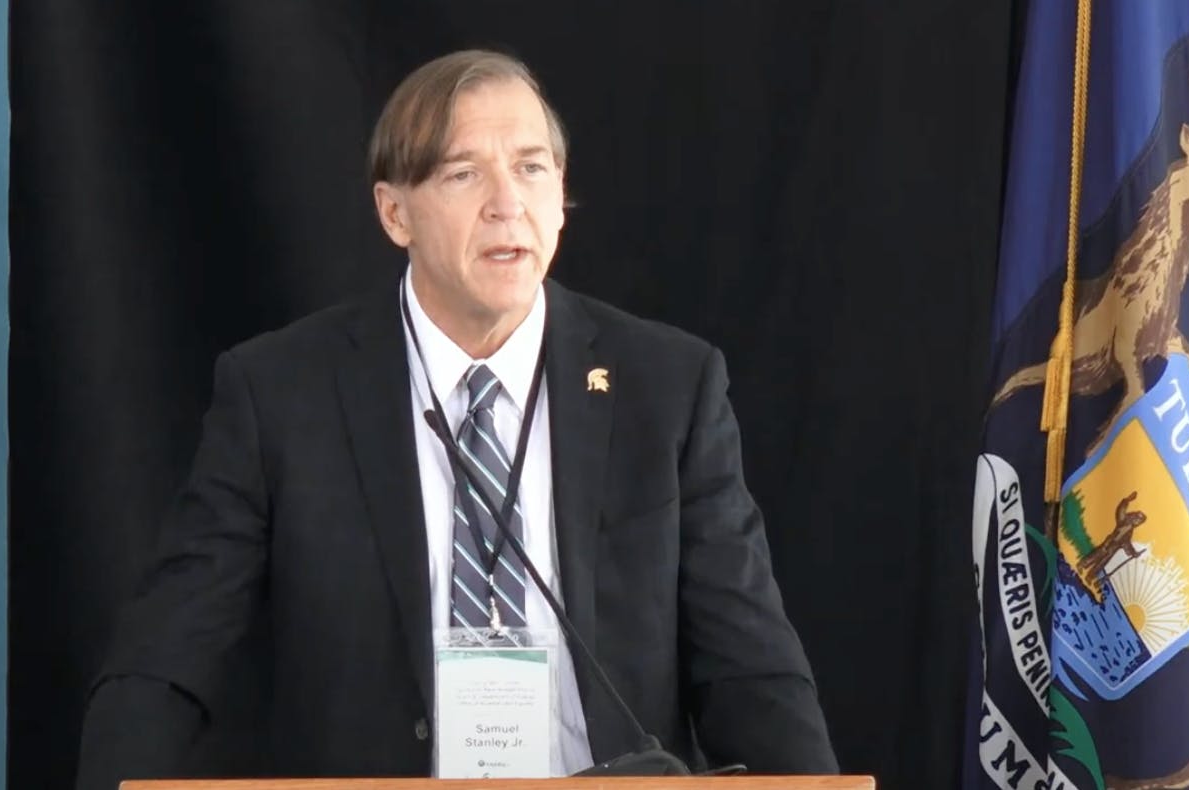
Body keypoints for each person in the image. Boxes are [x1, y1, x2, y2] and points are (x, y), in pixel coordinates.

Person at [75, 48, 837, 789]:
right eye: (464, 172)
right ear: (394, 212)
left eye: (532, 168)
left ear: (561, 192)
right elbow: (168, 654)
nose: (507, 202)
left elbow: (751, 665)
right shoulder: (281, 391)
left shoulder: (665, 386)